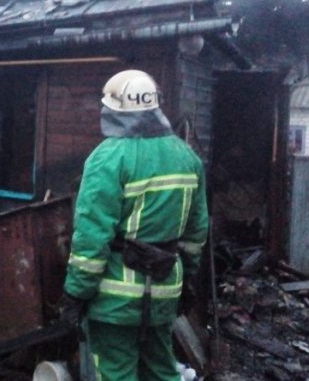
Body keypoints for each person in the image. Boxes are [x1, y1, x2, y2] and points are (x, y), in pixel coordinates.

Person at [61, 69, 209, 381]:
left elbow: (91, 239)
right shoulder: (187, 158)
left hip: (114, 300)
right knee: (162, 371)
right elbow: (196, 234)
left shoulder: (107, 158)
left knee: (116, 373)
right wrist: (188, 280)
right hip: (166, 289)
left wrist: (75, 294)